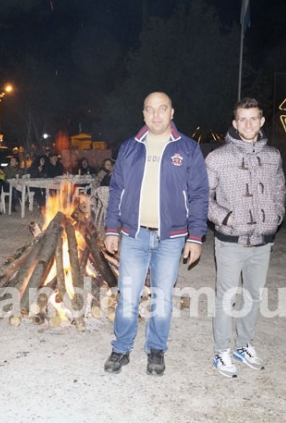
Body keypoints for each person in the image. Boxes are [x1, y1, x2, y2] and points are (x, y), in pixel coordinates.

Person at [103, 91, 209, 376]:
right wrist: (112, 228)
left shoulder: (187, 148)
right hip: (134, 235)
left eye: (162, 109)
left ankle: (156, 349)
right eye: (150, 109)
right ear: (143, 114)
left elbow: (199, 194)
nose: (156, 115)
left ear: (172, 112)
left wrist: (196, 236)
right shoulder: (129, 148)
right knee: (128, 295)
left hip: (171, 238)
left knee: (162, 298)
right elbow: (116, 191)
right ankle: (121, 348)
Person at [204, 97, 286, 378]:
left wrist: (276, 215)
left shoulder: (273, 155)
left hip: (263, 240)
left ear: (262, 121)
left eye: (254, 118)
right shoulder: (217, 157)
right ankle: (221, 351)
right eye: (243, 119)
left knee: (253, 295)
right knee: (226, 297)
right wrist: (225, 218)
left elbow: (279, 189)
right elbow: (202, 197)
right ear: (235, 123)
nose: (248, 124)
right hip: (230, 241)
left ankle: (244, 345)